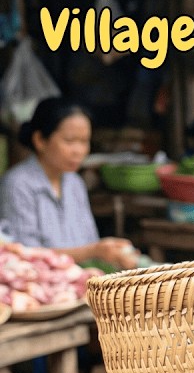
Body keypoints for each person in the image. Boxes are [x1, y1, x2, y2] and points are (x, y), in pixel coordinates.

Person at [0, 97, 139, 269]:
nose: (79, 151)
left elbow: (89, 241)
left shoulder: (75, 183)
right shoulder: (17, 184)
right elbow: (26, 255)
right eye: (70, 140)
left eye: (84, 141)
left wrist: (110, 253)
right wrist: (94, 251)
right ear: (40, 140)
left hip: (78, 280)